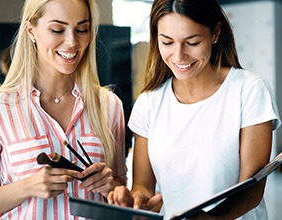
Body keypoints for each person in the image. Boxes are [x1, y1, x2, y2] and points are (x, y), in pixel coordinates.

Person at [107, 0, 281, 219]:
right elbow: (143, 185)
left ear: (215, 33)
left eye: (192, 42)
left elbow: (252, 188)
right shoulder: (148, 103)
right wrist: (137, 199)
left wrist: (214, 218)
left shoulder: (248, 90)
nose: (179, 56)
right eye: (167, 42)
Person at [0, 0, 127, 219]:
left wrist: (111, 187)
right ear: (31, 30)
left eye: (82, 30)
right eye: (57, 29)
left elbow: (121, 191)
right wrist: (27, 187)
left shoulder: (109, 105)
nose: (72, 42)